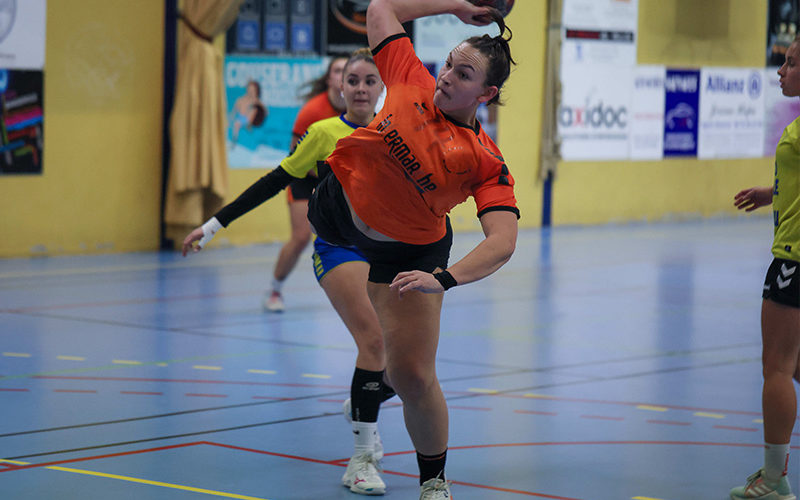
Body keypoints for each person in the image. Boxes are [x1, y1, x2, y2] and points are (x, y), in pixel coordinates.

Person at [306, 1, 518, 498]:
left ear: (486, 93)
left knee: (413, 376)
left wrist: (443, 278)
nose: (445, 77)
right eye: (447, 62)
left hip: (410, 253)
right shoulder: (410, 79)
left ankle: (433, 483)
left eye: (462, 74)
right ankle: (370, 396)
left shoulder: (486, 161)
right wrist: (457, 6)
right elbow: (382, 8)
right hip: (337, 214)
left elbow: (503, 242)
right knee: (373, 347)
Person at [183, 49, 395, 496]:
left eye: (369, 81)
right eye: (352, 80)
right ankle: (360, 458)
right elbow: (274, 181)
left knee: (408, 367)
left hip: (387, 251)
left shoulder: (394, 131)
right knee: (373, 341)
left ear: (382, 87)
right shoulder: (322, 133)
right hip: (339, 250)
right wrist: (213, 225)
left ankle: (363, 399)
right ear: (340, 88)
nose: (359, 88)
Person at [730, 34, 800, 500]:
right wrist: (771, 192)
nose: (781, 70)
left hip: (794, 260)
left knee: (776, 366)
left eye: (791, 63)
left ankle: (774, 480)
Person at [264, 55, 349, 312]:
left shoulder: (359, 109)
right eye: (337, 70)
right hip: (306, 178)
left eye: (348, 71)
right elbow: (294, 155)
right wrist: (321, 181)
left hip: (339, 181)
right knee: (301, 236)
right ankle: (275, 289)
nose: (342, 75)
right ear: (329, 79)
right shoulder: (313, 111)